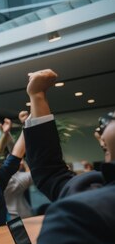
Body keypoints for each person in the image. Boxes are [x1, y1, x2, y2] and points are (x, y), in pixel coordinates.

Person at [24, 69, 109, 200]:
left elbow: (51, 174)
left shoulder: (100, 197)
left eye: (106, 149)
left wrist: (37, 95)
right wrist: (37, 96)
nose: (99, 136)